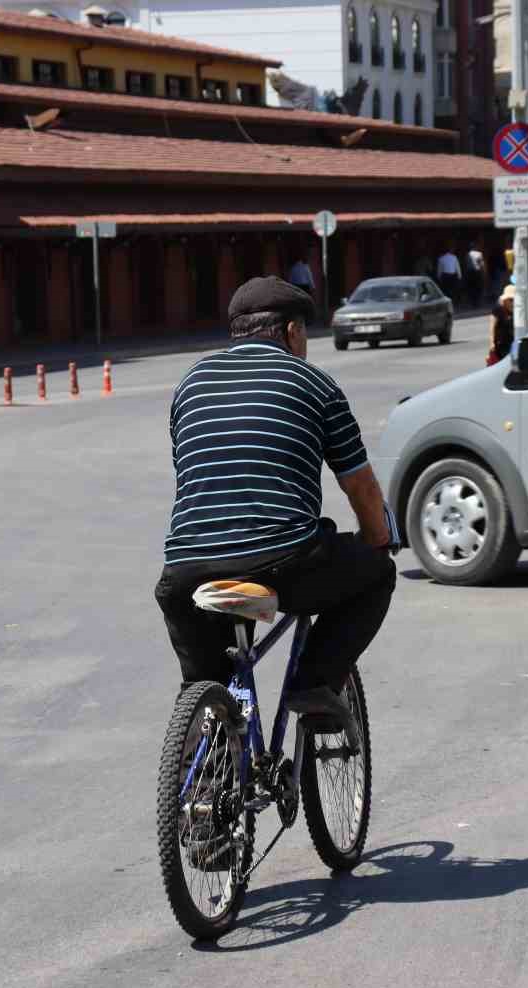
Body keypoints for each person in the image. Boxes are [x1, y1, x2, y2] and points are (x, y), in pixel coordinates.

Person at [154, 276, 396, 749]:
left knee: (206, 683)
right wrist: (378, 540)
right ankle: (314, 684)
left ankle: (201, 781)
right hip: (284, 559)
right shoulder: (313, 384)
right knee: (375, 574)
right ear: (291, 332)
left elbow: (193, 476)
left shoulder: (191, 384)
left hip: (184, 572)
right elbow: (361, 489)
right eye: (304, 332)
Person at [488, 284, 516, 367]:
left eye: (515, 300)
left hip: (511, 345)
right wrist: (492, 342)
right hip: (499, 347)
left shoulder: (516, 311)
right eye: (510, 300)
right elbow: (492, 327)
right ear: (505, 300)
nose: (513, 303)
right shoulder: (498, 310)